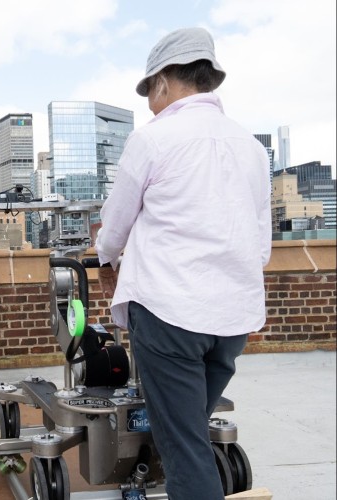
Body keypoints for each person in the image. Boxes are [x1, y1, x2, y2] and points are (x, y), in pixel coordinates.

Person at [95, 28, 271, 500]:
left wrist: (106, 261)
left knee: (184, 445)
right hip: (233, 318)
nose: (151, 101)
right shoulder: (252, 148)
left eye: (150, 90)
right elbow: (261, 241)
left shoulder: (152, 140)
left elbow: (114, 227)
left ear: (166, 81)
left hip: (170, 312)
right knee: (191, 426)